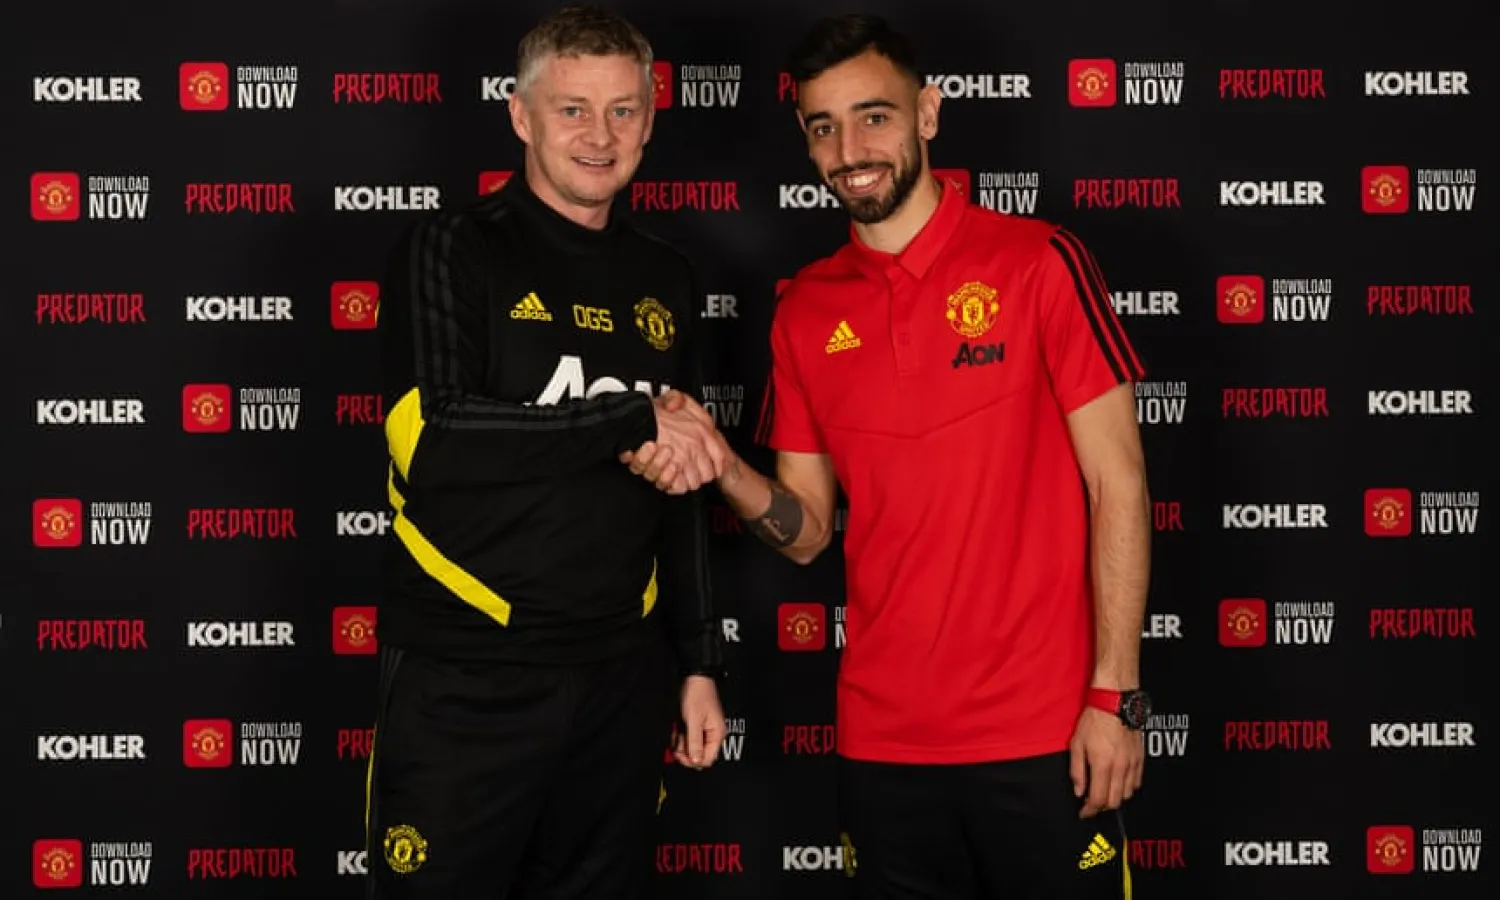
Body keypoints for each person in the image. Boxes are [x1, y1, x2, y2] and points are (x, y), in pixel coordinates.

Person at [627, 13, 1152, 900]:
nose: (850, 148)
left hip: (1045, 735)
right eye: (824, 126)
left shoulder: (1039, 264)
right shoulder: (803, 310)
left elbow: (1120, 485)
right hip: (882, 745)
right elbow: (803, 532)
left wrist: (1115, 699)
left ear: (929, 114)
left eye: (874, 116)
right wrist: (723, 464)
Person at [364, 6, 728, 898]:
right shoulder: (453, 247)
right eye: (571, 109)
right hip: (465, 682)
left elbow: (678, 490)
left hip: (618, 685)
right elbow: (441, 438)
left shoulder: (667, 277)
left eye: (623, 110)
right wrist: (627, 421)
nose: (599, 136)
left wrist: (698, 665)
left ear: (650, 116)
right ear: (521, 116)